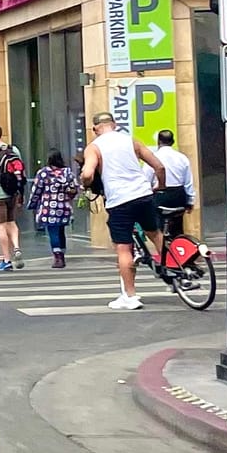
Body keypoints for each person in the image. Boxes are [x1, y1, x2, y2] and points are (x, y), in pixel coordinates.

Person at [80, 112, 168, 310]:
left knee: (123, 247)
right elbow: (159, 166)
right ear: (115, 124)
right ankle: (175, 271)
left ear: (95, 129)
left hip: (120, 201)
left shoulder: (94, 147)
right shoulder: (131, 141)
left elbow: (87, 173)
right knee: (155, 234)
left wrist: (85, 184)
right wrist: (160, 186)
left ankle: (130, 296)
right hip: (143, 195)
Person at [0, 123, 27, 272]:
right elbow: (21, 170)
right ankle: (17, 247)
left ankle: (6, 259)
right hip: (13, 192)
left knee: (1, 225)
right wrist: (21, 192)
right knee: (12, 222)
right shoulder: (14, 149)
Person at [26, 151, 80, 269]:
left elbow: (36, 190)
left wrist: (32, 204)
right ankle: (62, 254)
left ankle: (58, 256)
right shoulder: (67, 172)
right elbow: (75, 188)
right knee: (61, 231)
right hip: (64, 207)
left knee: (53, 232)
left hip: (48, 208)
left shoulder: (43, 173)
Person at [153, 128, 196, 240]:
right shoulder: (182, 158)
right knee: (177, 227)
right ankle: (180, 251)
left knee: (160, 228)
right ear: (172, 141)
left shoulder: (154, 157)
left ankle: (165, 251)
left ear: (158, 142)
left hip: (160, 194)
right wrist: (190, 201)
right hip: (178, 194)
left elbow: (146, 178)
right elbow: (188, 182)